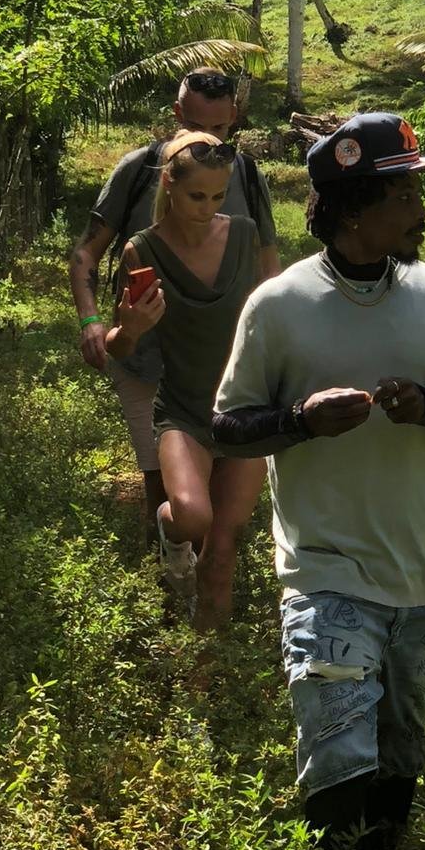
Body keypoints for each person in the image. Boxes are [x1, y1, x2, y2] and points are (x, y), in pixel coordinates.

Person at [211, 112, 425, 850]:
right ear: (355, 206)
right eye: (406, 191)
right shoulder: (278, 305)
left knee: (399, 753)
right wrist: (300, 422)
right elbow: (228, 428)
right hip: (325, 571)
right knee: (339, 751)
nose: (421, 209)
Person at [69, 69, 280, 536]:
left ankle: (205, 584)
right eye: (197, 126)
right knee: (162, 488)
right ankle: (164, 584)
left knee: (222, 510)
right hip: (148, 360)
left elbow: (270, 266)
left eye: (222, 129)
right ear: (176, 115)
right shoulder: (137, 170)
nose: (208, 138)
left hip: (223, 364)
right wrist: (92, 321)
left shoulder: (243, 171)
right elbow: (87, 251)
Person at [106, 129, 267, 629]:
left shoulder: (242, 234)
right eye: (197, 195)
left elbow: (272, 312)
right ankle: (170, 534)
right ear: (170, 186)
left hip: (246, 408)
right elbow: (118, 347)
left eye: (218, 196)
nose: (208, 206)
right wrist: (127, 329)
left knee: (222, 550)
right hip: (183, 411)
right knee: (194, 519)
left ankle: (205, 661)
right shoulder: (142, 250)